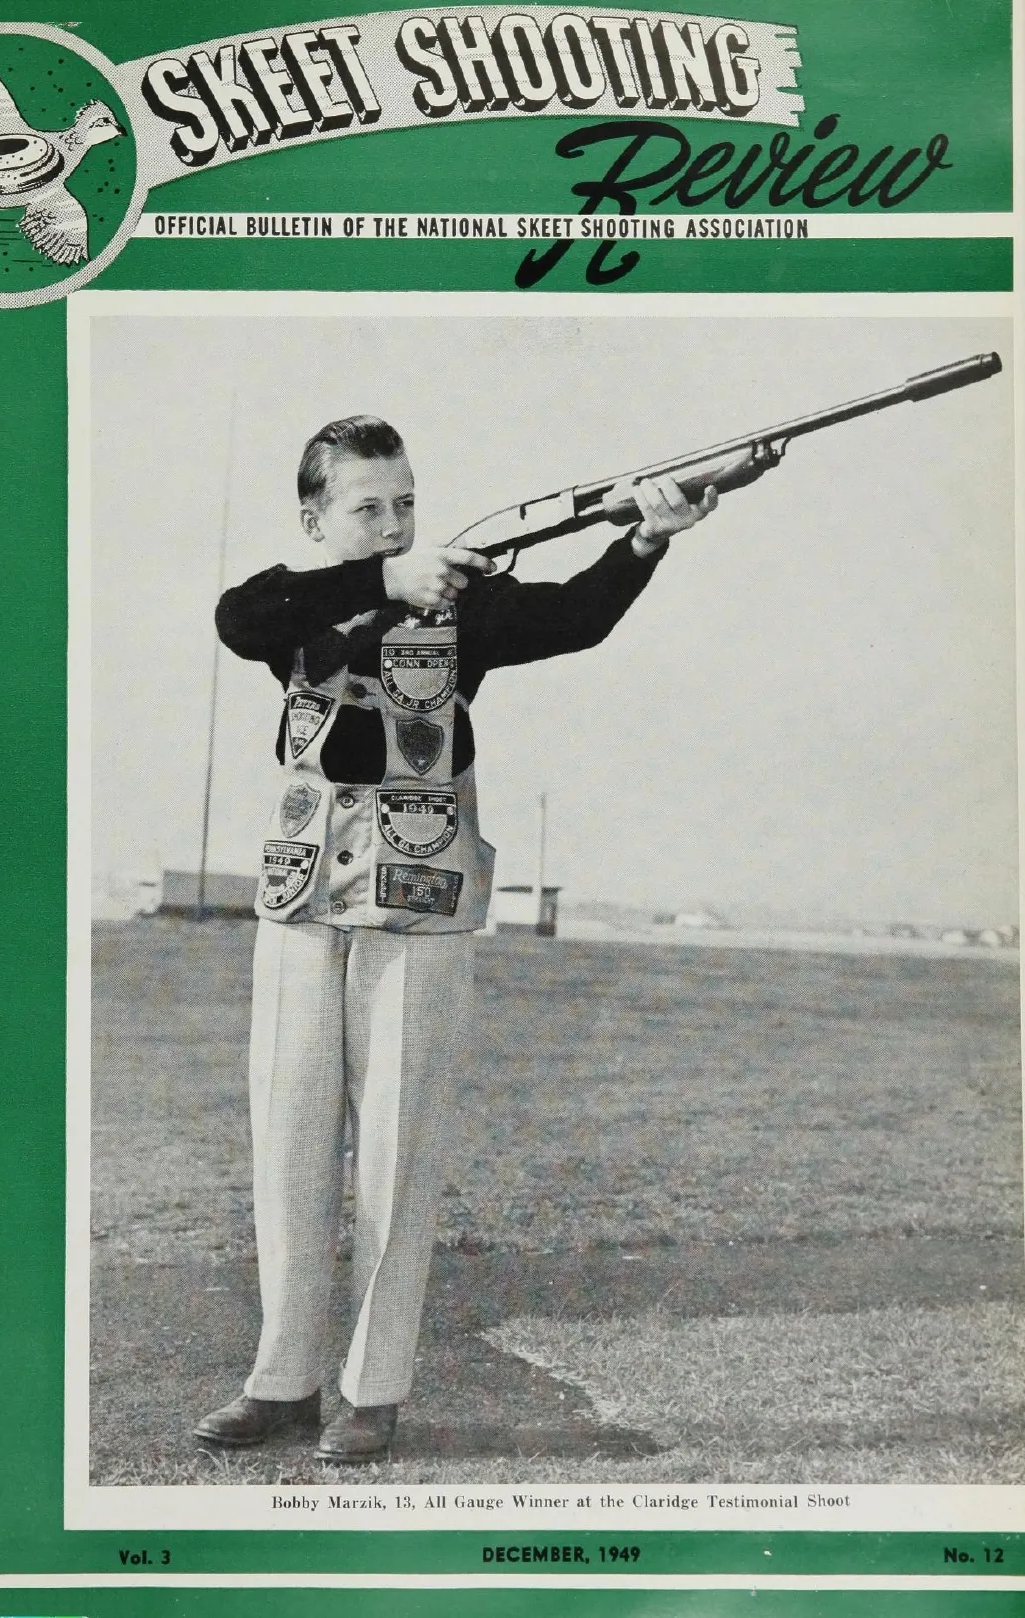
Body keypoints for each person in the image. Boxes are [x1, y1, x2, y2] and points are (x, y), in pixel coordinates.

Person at [195, 415, 716, 1463]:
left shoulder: (466, 604)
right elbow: (239, 616)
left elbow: (575, 616)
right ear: (316, 519)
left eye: (406, 504)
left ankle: (372, 1391)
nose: (394, 523)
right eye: (369, 508)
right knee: (287, 1149)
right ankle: (282, 1381)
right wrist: (384, 581)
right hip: (300, 908)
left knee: (398, 1155)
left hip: (421, 914)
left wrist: (646, 540)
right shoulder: (294, 602)